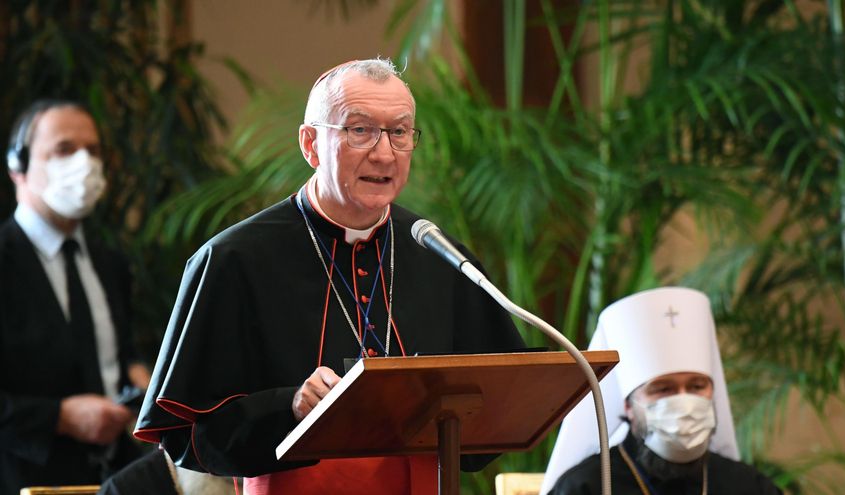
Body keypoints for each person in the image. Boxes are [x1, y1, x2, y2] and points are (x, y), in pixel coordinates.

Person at [134, 58, 526, 495]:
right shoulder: (234, 260)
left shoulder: (437, 254)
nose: (383, 152)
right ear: (311, 144)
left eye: (399, 132)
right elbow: (186, 434)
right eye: (359, 130)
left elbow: (498, 410)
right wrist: (290, 407)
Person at [0, 99, 151, 493]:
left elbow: (119, 354)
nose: (84, 164)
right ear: (18, 165)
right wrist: (59, 417)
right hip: (26, 479)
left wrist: (142, 385)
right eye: (64, 150)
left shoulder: (109, 262)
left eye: (94, 151)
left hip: (114, 477)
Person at [541, 287, 781, 495]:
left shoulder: (750, 486)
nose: (683, 400)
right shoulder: (585, 487)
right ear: (628, 405)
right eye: (663, 389)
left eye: (697, 386)